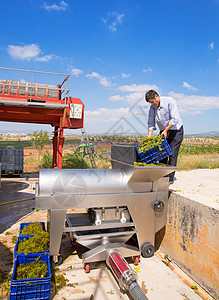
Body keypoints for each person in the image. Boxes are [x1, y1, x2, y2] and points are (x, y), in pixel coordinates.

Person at [145, 90, 184, 184]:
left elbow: (175, 118)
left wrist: (166, 130)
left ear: (156, 97)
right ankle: (162, 176)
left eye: (152, 102)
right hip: (164, 132)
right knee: (162, 153)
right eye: (150, 103)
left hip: (175, 131)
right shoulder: (152, 107)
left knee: (172, 153)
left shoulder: (170, 101)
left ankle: (169, 179)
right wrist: (149, 137)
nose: (152, 104)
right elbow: (151, 122)